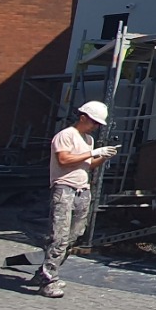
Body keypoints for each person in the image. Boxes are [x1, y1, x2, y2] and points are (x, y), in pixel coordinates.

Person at [30, 100, 116, 298]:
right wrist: (93, 152)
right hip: (64, 189)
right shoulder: (65, 136)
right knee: (59, 236)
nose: (95, 127)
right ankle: (47, 281)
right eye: (93, 122)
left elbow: (87, 165)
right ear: (83, 117)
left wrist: (103, 157)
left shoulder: (88, 140)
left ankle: (44, 271)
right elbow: (64, 160)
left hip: (82, 190)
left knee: (74, 234)